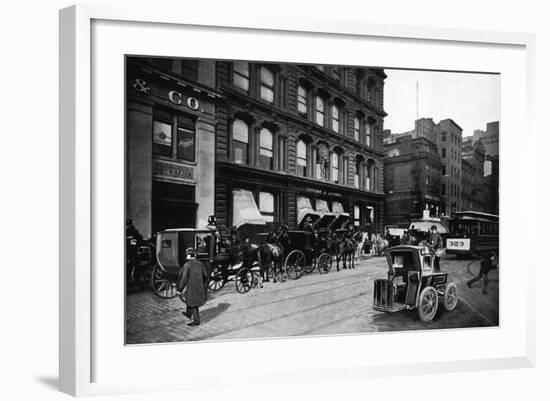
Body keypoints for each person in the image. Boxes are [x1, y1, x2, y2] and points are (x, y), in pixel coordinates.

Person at [178, 248, 209, 326]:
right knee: (189, 299)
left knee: (193, 303)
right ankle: (188, 314)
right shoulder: (200, 263)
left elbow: (184, 279)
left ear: (188, 256)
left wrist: (180, 289)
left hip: (192, 287)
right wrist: (203, 285)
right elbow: (205, 276)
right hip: (200, 287)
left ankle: (196, 321)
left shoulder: (187, 265)